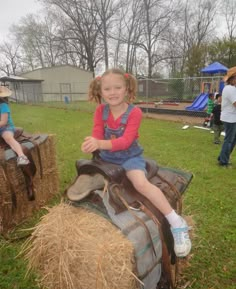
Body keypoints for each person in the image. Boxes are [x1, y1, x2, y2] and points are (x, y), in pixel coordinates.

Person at [81, 68, 191, 258]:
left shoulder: (135, 112)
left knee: (140, 183)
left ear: (127, 89)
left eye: (117, 87)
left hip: (129, 157)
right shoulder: (101, 110)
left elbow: (126, 141)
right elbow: (98, 132)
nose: (112, 92)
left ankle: (176, 222)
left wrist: (100, 143)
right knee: (85, 179)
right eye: (107, 89)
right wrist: (92, 143)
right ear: (100, 91)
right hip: (106, 158)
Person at [0, 86, 30, 165]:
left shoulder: (3, 106)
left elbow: (3, 121)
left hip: (6, 127)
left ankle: (22, 156)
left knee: (8, 138)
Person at [218, 66, 236, 167]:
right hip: (230, 118)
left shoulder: (231, 88)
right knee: (229, 140)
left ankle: (222, 157)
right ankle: (223, 161)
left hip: (231, 118)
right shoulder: (230, 89)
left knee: (232, 140)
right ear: (233, 78)